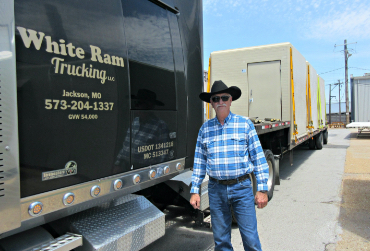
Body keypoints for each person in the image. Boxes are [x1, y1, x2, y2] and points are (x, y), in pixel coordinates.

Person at [190, 80, 269, 251]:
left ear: (231, 100)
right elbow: (199, 162)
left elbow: (259, 158)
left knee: (251, 240)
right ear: (211, 103)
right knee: (221, 241)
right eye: (215, 99)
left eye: (224, 98)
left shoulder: (244, 125)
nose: (220, 102)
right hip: (216, 189)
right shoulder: (205, 129)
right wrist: (195, 190)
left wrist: (262, 189)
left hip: (242, 188)